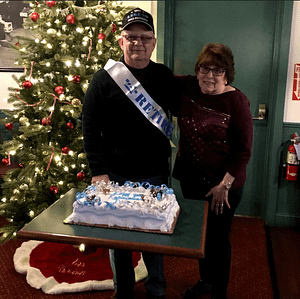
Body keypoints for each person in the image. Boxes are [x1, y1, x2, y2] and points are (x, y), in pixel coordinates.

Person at [82, 8, 178, 299]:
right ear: (121, 41)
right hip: (116, 174)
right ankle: (122, 290)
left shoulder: (164, 76)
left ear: (154, 42)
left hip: (155, 173)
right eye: (131, 36)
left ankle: (156, 289)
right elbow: (89, 127)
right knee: (119, 240)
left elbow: (189, 107)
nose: (138, 42)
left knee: (155, 238)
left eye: (144, 37)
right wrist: (98, 171)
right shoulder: (103, 79)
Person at [172, 43, 253, 299]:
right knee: (201, 237)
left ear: (227, 74)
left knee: (219, 242)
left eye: (217, 70)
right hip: (192, 179)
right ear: (197, 71)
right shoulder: (187, 87)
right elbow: (155, 78)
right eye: (205, 68)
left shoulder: (236, 101)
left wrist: (224, 186)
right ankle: (205, 281)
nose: (210, 75)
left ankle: (219, 292)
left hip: (223, 186)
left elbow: (243, 151)